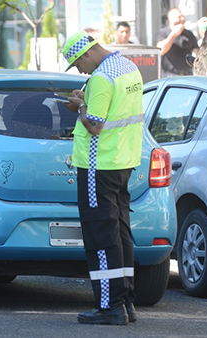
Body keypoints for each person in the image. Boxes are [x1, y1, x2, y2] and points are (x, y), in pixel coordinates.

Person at [61, 30, 143, 326]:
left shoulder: (101, 78)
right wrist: (89, 101)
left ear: (86, 53)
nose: (80, 70)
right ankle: (126, 303)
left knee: (100, 235)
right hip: (123, 161)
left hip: (99, 164)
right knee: (120, 232)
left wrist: (79, 106)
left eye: (77, 64)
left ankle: (109, 306)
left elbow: (94, 125)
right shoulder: (128, 68)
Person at [156, 8, 198, 77]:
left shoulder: (189, 34)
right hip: (170, 75)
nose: (182, 19)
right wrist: (173, 35)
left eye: (182, 16)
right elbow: (161, 50)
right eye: (179, 17)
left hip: (187, 74)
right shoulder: (164, 33)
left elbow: (197, 52)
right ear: (171, 19)